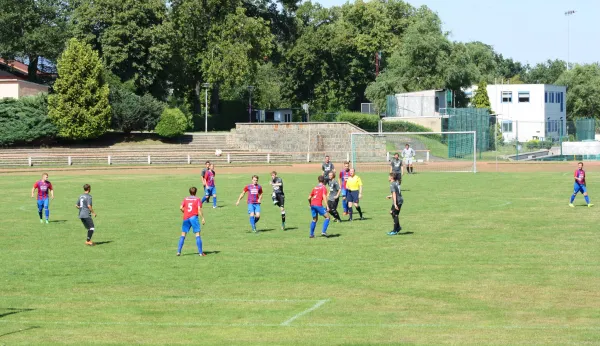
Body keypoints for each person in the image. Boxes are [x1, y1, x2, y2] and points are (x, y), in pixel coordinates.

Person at [178, 187, 206, 256]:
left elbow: (181, 207)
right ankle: (200, 253)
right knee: (197, 234)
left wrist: (185, 212)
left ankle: (178, 252)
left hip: (186, 218)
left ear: (189, 192)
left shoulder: (185, 199)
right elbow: (199, 209)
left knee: (183, 235)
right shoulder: (197, 199)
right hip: (193, 218)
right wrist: (202, 218)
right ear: (195, 192)